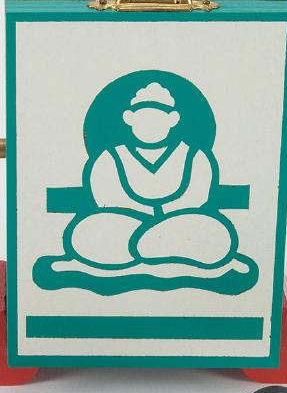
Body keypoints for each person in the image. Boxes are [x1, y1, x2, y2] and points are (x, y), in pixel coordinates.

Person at [69, 81, 238, 270]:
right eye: (143, 117)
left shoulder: (193, 156)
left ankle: (144, 248)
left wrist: (162, 221)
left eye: (157, 118)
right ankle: (154, 248)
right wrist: (150, 221)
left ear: (173, 119)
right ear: (129, 118)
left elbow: (196, 200)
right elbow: (107, 201)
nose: (150, 125)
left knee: (216, 230)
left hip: (179, 226)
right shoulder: (111, 157)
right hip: (126, 226)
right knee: (87, 229)